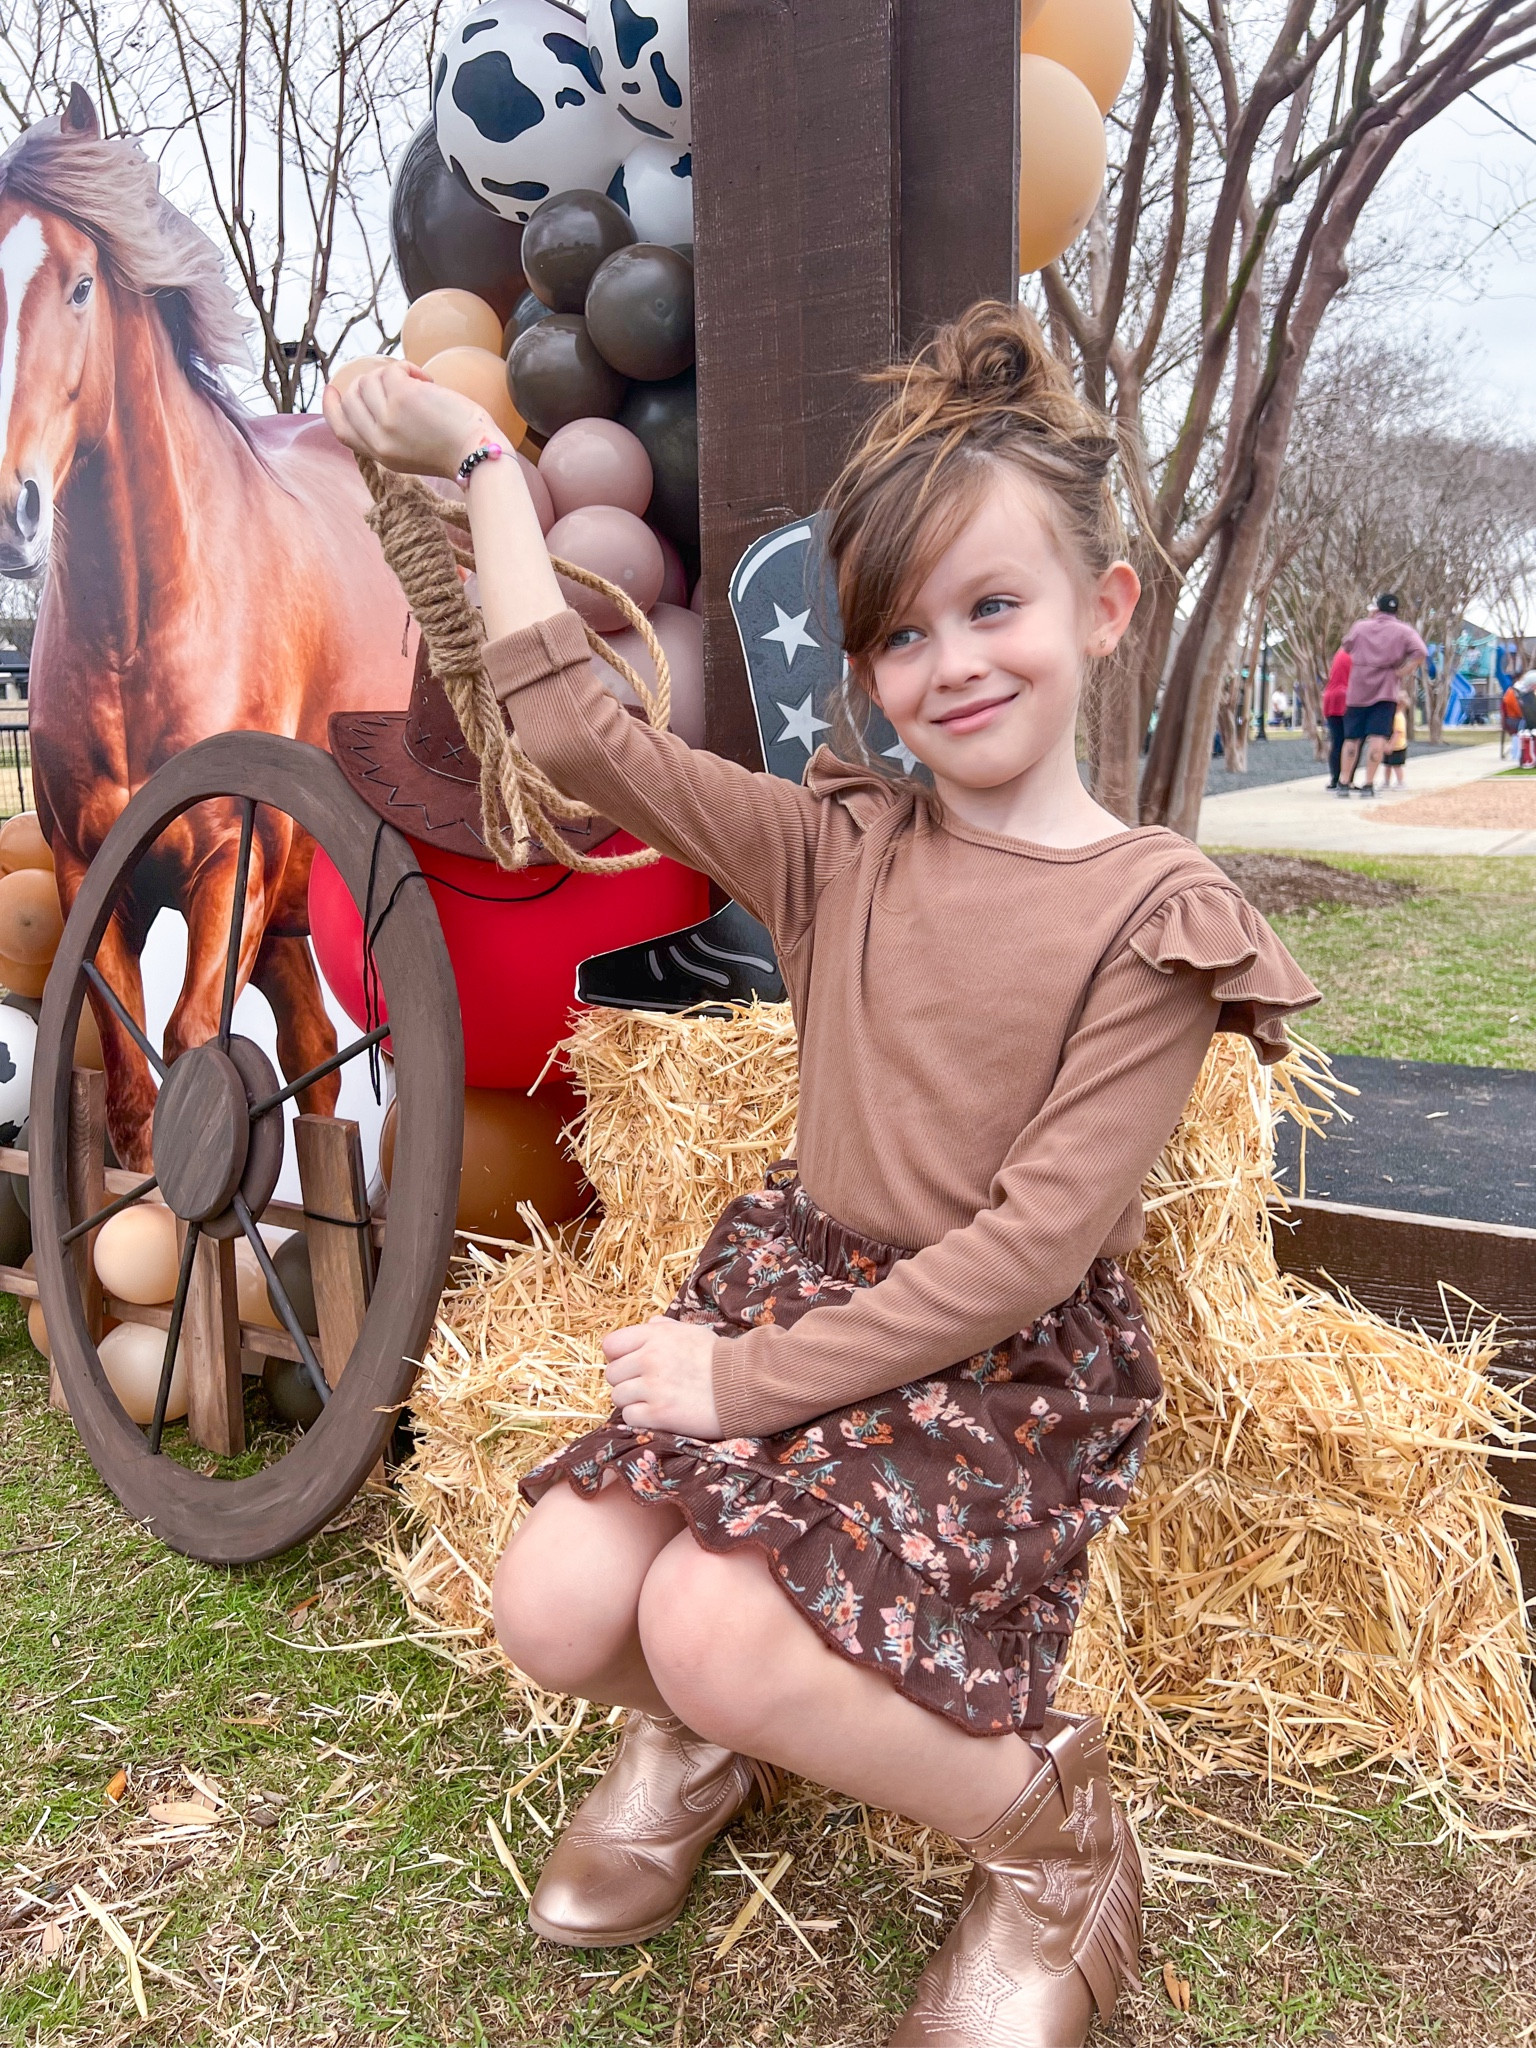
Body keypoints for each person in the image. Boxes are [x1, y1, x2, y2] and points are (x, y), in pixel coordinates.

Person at [324, 304, 1318, 2048]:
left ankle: (1054, 1839)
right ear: (865, 669)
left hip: (982, 1363)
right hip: (798, 1281)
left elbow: (1021, 1253)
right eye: (901, 633)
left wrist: (739, 1383)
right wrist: (482, 466)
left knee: (709, 1615)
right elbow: (577, 733)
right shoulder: (836, 840)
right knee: (553, 1602)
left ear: (1104, 606)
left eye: (992, 606)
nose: (951, 664)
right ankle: (709, 1738)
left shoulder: (1156, 920)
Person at [1336, 593, 1427, 797]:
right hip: (1385, 689)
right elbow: (1420, 652)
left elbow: (1346, 645)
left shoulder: (1360, 626)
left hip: (1358, 688)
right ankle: (1368, 784)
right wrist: (1401, 671)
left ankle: (1343, 781)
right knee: (1377, 737)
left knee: (1351, 738)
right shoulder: (1404, 631)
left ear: (1377, 608)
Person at [1322, 647, 1351, 787]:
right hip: (1347, 698)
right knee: (1351, 741)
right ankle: (1346, 779)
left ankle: (1335, 778)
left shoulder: (1340, 652)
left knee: (1337, 741)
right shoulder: (1356, 653)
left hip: (1331, 698)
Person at [1382, 693, 1409, 788]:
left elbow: (1397, 733)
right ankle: (1386, 781)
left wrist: (1390, 745)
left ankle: (1400, 782)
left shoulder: (1398, 718)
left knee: (1397, 765)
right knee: (1387, 765)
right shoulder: (1392, 716)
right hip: (1388, 745)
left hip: (1397, 746)